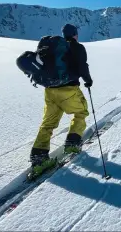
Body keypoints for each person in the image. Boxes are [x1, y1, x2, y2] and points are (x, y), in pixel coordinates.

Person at [29, 23, 93, 174]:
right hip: (68, 89)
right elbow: (82, 66)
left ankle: (38, 157)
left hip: (50, 90)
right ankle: (72, 142)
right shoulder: (77, 47)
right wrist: (88, 80)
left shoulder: (51, 47)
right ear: (75, 34)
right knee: (81, 113)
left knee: (48, 122)